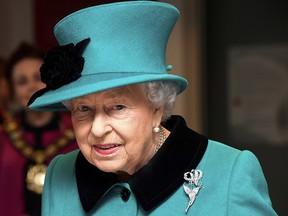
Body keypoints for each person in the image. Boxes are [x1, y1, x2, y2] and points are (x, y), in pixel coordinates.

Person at [28, 1, 277, 215]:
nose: (98, 128)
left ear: (157, 107)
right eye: (83, 108)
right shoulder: (59, 173)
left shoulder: (231, 173)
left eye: (117, 106)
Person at [0, 42, 78, 216]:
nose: (31, 86)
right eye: (22, 82)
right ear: (13, 91)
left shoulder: (79, 130)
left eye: (37, 78)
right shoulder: (3, 137)